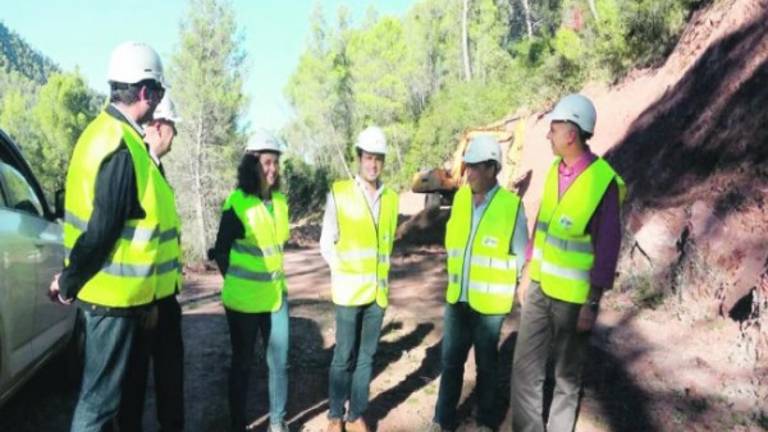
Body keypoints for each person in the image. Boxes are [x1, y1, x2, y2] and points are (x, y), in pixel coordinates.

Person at [48, 41, 171, 432]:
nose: (158, 105)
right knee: (98, 405)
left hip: (118, 301)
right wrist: (68, 282)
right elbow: (101, 231)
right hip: (111, 302)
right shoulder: (120, 146)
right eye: (159, 94)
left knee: (112, 404)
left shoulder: (104, 134)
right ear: (145, 92)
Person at [512, 94, 625, 432]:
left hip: (575, 301)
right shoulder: (553, 171)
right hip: (540, 289)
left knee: (566, 377)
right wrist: (528, 272)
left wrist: (592, 302)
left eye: (554, 128)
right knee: (524, 369)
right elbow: (542, 225)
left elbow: (608, 249)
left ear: (571, 134)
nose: (549, 135)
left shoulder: (602, 181)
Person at [427, 135, 528, 432]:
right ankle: (441, 420)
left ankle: (485, 421)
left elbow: (521, 254)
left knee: (486, 367)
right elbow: (453, 242)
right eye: (467, 166)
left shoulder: (511, 206)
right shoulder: (459, 198)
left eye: (473, 167)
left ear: (491, 168)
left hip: (489, 306)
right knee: (451, 363)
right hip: (458, 298)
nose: (467, 173)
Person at [319, 126, 399, 432]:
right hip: (349, 292)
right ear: (358, 158)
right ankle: (335, 414)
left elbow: (387, 244)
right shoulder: (339, 193)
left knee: (367, 358)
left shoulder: (391, 198)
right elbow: (326, 243)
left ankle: (356, 416)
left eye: (378, 158)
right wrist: (343, 271)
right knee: (343, 356)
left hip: (377, 293)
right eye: (368, 157)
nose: (373, 164)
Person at [211, 131, 290, 432]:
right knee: (242, 364)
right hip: (243, 301)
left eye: (275, 163)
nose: (272, 169)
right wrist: (234, 279)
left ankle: (278, 422)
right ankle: (237, 424)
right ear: (251, 165)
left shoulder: (280, 202)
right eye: (266, 163)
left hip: (276, 297)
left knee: (280, 363)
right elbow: (220, 250)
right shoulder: (237, 203)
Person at [117, 94, 185, 432]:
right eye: (174, 128)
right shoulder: (138, 167)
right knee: (133, 387)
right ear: (158, 127)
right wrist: (145, 300)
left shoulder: (155, 169)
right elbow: (131, 244)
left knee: (170, 383)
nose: (175, 136)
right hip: (144, 302)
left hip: (163, 298)